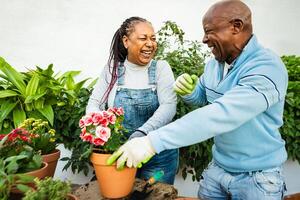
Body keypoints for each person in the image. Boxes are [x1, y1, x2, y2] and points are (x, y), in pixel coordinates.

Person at [107, 1, 288, 199]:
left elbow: (222, 114)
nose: (204, 39)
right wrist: (191, 92)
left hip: (257, 179)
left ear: (236, 26)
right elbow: (202, 99)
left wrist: (150, 142)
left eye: (210, 31)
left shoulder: (267, 67)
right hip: (218, 170)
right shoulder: (214, 65)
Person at [86, 16, 178, 184]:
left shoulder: (161, 68)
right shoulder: (112, 70)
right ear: (126, 41)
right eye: (143, 38)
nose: (150, 44)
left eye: (153, 38)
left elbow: (169, 106)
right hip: (122, 154)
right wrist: (98, 129)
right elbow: (94, 103)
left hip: (159, 159)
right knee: (121, 193)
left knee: (154, 192)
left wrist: (140, 134)